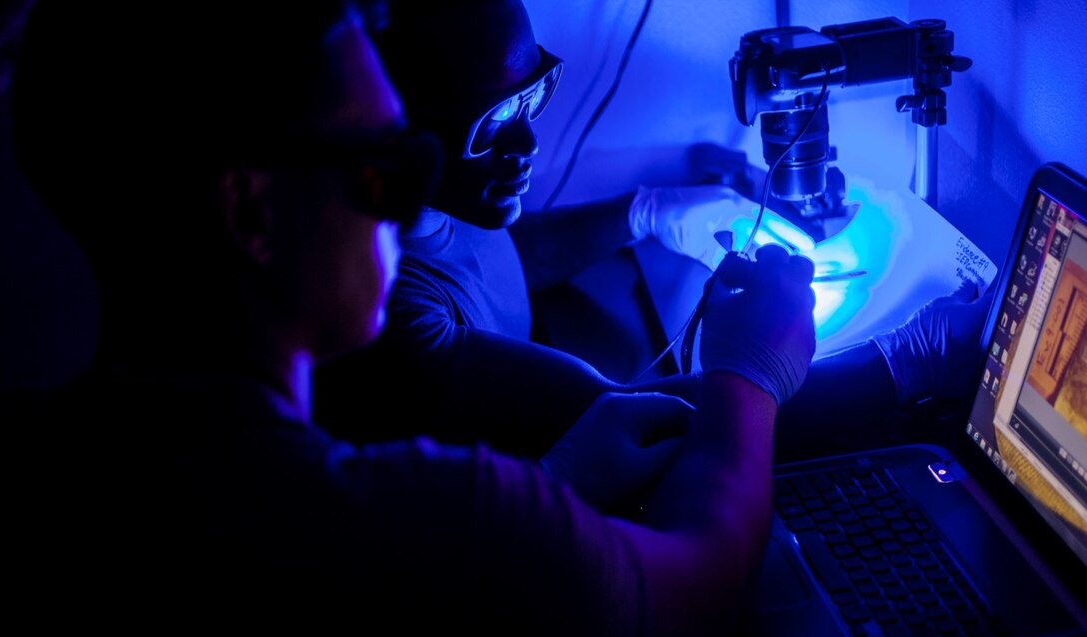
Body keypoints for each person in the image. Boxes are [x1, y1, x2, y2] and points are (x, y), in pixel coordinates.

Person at [10, 0, 820, 637]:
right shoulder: (426, 519)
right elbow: (690, 588)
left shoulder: (60, 468)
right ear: (251, 211)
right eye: (388, 163)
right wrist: (758, 373)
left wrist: (552, 485)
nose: (414, 200)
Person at [311, 0, 994, 462]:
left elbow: (503, 258)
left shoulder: (435, 206)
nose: (528, 143)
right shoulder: (385, 317)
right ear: (396, 122)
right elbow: (637, 424)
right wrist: (905, 359)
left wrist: (645, 212)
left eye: (534, 95)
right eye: (491, 122)